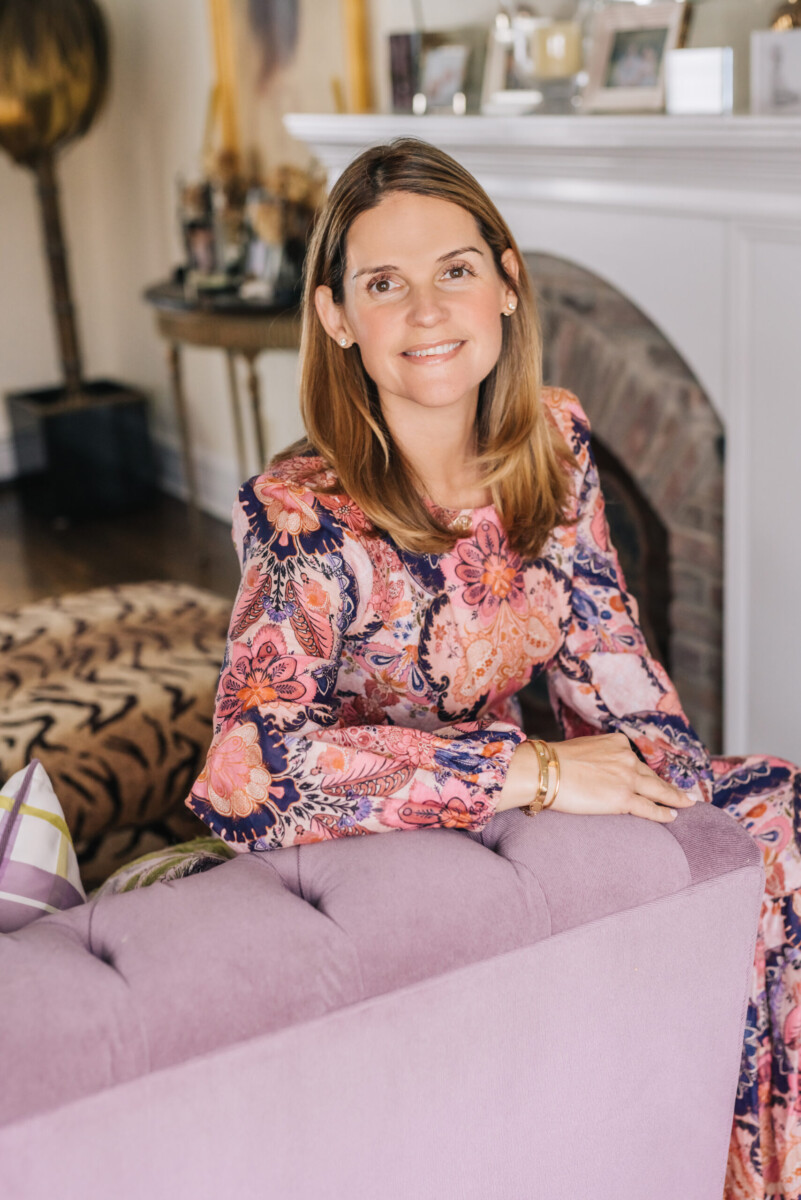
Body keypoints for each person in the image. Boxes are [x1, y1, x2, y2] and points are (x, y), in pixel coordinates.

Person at [184, 137, 801, 1199]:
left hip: (519, 823)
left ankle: (752, 1167)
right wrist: (542, 773)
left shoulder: (553, 443)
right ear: (338, 316)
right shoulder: (300, 518)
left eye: (456, 270)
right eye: (385, 283)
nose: (428, 311)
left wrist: (684, 828)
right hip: (377, 849)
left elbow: (610, 657)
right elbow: (250, 769)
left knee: (771, 815)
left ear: (506, 283)